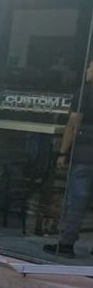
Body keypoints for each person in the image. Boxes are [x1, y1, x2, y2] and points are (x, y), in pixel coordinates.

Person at [43, 60, 93, 259]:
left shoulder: (86, 92)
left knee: (77, 199)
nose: (87, 69)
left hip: (84, 153)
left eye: (90, 66)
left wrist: (62, 152)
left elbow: (73, 124)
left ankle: (66, 243)